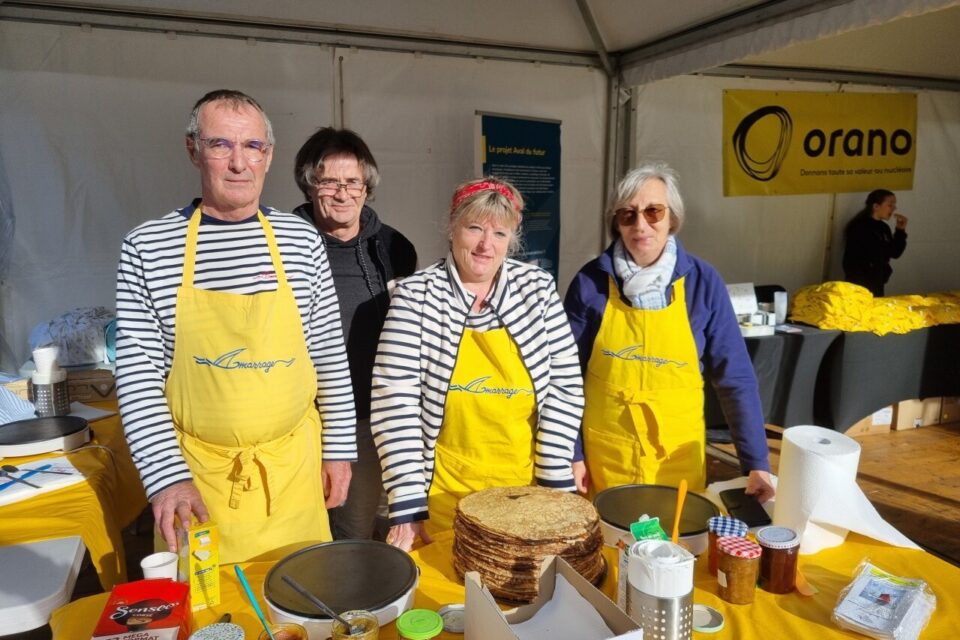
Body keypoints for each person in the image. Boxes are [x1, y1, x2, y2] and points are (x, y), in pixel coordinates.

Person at [115, 90, 357, 563]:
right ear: (193, 151)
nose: (238, 163)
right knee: (211, 623)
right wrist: (167, 478)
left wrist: (339, 450)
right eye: (220, 145)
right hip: (199, 479)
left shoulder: (300, 239)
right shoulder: (148, 247)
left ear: (268, 155)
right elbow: (139, 376)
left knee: (302, 608)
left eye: (252, 147)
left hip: (293, 470)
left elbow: (328, 351)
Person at [371, 177, 584, 551]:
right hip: (443, 493)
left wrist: (554, 487)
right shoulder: (416, 296)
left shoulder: (537, 289)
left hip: (524, 493)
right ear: (452, 228)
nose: (487, 245)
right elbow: (395, 402)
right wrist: (406, 506)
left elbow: (564, 389)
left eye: (500, 234)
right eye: (475, 228)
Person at [564, 162, 774, 503]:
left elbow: (735, 378)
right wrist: (573, 453)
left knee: (674, 547)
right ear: (616, 223)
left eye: (653, 211)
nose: (641, 225)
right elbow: (565, 376)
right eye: (628, 215)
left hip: (676, 459)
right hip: (606, 458)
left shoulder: (703, 283)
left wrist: (756, 462)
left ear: (672, 218)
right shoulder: (590, 282)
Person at [292, 127, 417, 540]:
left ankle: (348, 605)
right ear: (309, 185)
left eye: (353, 182)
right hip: (300, 420)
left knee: (354, 530)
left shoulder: (395, 247)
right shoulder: (282, 244)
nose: (342, 193)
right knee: (299, 531)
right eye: (329, 181)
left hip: (367, 417)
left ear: (367, 188)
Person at [842, 189, 908, 297]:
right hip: (860, 284)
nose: (894, 208)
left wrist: (900, 231)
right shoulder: (859, 227)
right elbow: (852, 260)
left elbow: (895, 252)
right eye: (890, 205)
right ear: (876, 206)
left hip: (877, 282)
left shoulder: (883, 227)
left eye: (894, 205)